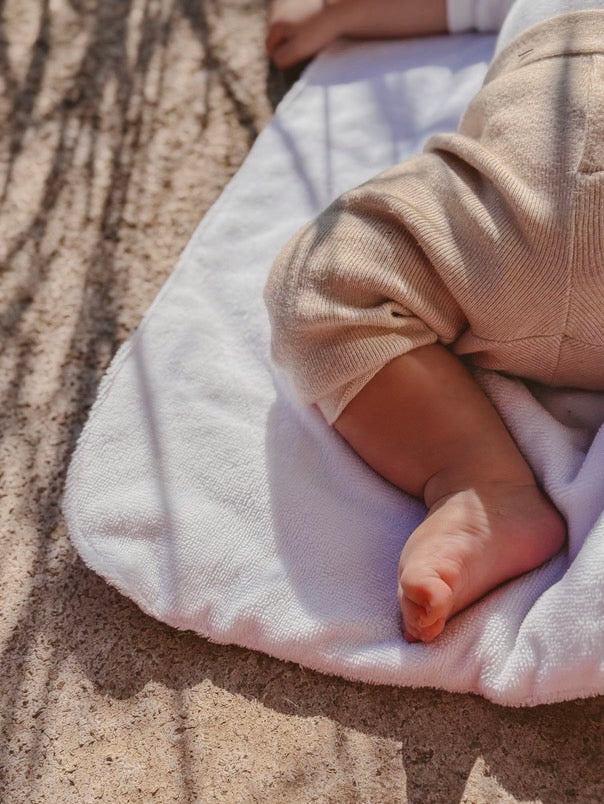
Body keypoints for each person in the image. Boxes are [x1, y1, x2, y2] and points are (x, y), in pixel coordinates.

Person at [264, 1, 604, 642]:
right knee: (335, 279)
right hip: (529, 202)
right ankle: (479, 483)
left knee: (333, 278)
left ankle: (478, 479)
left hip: (525, 204)